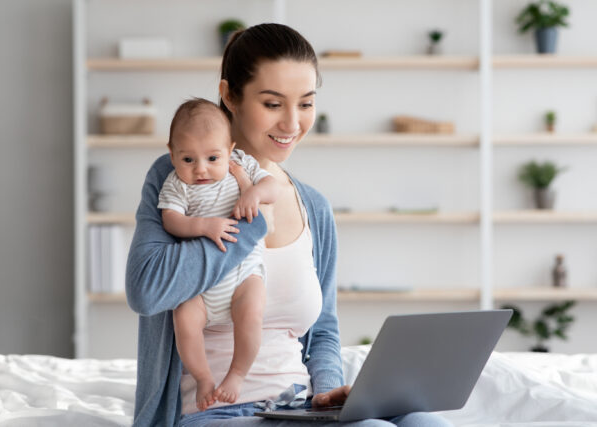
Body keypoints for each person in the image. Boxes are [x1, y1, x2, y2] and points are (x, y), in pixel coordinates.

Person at [126, 23, 453, 427]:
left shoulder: (313, 206)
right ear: (230, 95)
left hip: (297, 406)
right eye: (273, 103)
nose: (292, 123)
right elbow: (146, 289)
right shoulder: (181, 174)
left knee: (425, 422)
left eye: (306, 103)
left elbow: (324, 332)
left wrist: (328, 394)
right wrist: (250, 227)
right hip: (217, 412)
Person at [158, 98, 278, 410]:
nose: (201, 169)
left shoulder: (241, 165)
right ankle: (204, 379)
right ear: (172, 154)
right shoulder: (176, 185)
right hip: (200, 286)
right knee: (184, 320)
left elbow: (272, 187)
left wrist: (253, 191)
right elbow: (171, 219)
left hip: (242, 276)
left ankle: (237, 375)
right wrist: (203, 226)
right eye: (187, 159)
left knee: (251, 313)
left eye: (213, 157)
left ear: (230, 149)